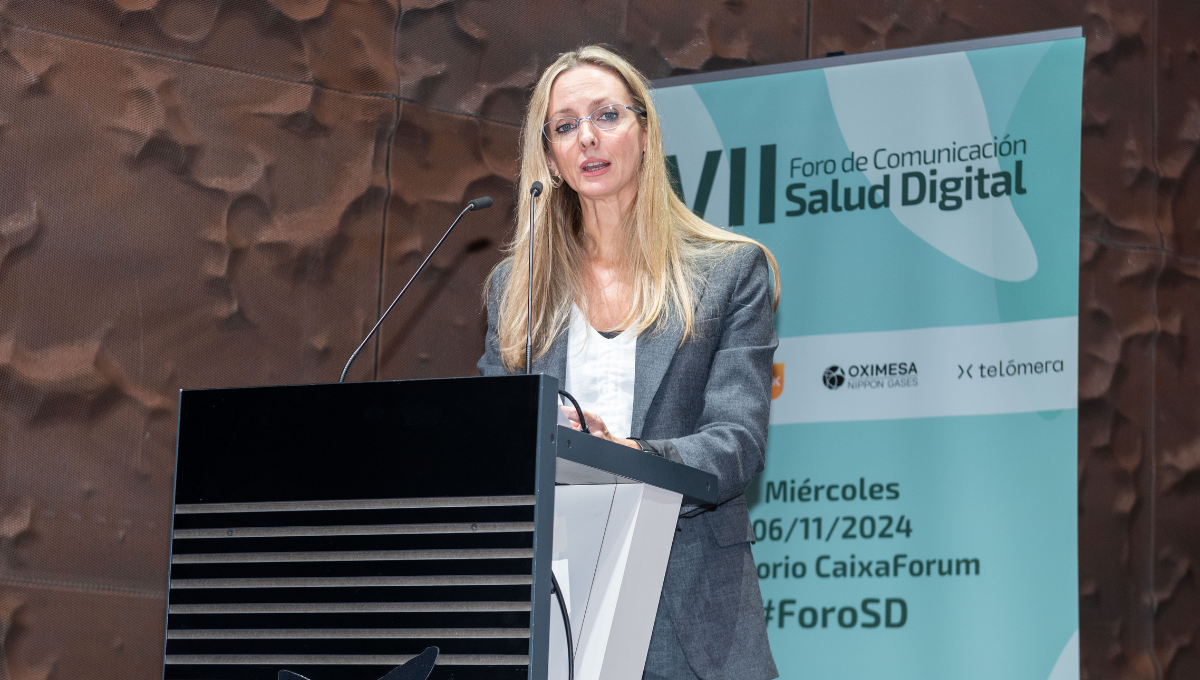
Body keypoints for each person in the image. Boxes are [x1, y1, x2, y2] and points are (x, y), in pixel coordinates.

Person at [477, 45, 780, 680]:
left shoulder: (728, 273)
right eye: (564, 126)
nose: (586, 137)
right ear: (552, 159)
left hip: (687, 602)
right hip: (551, 598)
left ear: (645, 131)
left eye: (606, 115)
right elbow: (493, 445)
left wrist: (625, 454)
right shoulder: (518, 286)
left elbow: (735, 445)